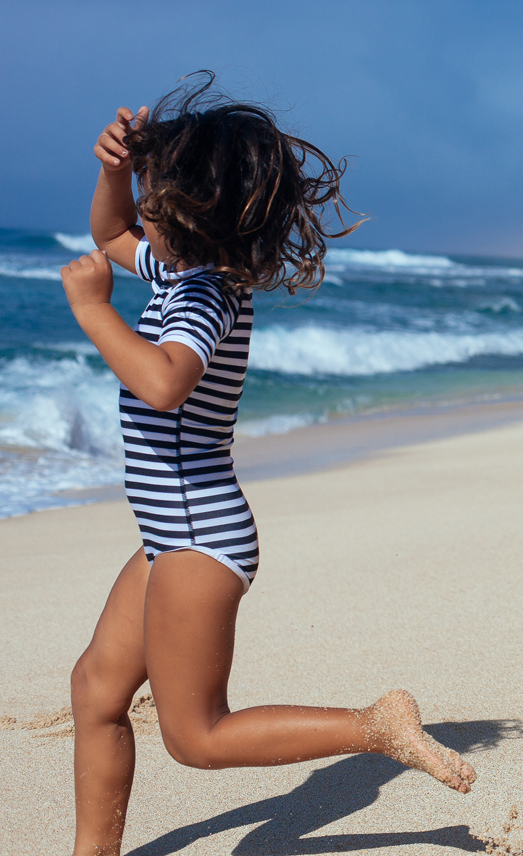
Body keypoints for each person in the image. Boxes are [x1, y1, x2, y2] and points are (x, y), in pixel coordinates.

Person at [61, 76, 475, 856]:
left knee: (198, 735)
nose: (142, 210)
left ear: (196, 212)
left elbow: (163, 382)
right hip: (170, 533)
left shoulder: (205, 296)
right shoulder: (181, 269)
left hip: (196, 537)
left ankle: (373, 726)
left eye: (156, 194)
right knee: (96, 689)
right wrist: (113, 171)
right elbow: (109, 232)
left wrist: (92, 313)